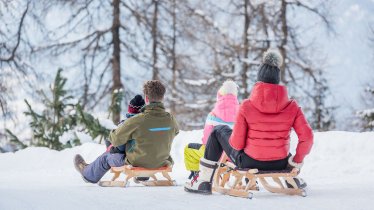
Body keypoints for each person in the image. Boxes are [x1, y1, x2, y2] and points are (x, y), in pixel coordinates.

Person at [184, 49, 314, 194]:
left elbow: (236, 144)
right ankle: (292, 181)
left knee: (217, 131)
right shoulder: (293, 107)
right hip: (281, 162)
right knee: (282, 149)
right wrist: (296, 161)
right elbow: (307, 137)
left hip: (249, 161)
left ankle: (203, 182)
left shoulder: (246, 106)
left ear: (259, 80)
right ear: (278, 80)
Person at [74, 80, 179, 184]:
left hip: (136, 162)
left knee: (107, 157)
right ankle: (142, 176)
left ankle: (88, 174)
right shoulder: (171, 119)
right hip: (162, 161)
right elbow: (175, 132)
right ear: (163, 97)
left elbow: (114, 139)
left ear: (146, 98)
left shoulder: (137, 120)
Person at [184, 80, 239, 179]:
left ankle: (198, 174)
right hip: (233, 156)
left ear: (220, 94)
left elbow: (207, 138)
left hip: (214, 156)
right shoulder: (241, 113)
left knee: (189, 148)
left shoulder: (213, 115)